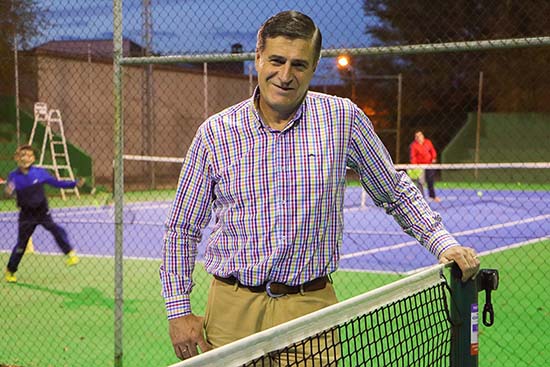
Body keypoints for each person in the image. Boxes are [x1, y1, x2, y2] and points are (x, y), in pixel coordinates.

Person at [160, 10, 479, 363]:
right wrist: (178, 310)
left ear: (314, 68)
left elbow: (395, 191)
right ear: (258, 59)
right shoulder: (215, 133)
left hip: (310, 309)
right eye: (276, 61)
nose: (285, 75)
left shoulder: (343, 119)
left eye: (299, 64)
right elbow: (181, 229)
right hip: (231, 310)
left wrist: (442, 243)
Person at [4, 144, 85, 283]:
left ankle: (70, 253)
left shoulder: (40, 173)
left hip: (42, 211)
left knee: (56, 230)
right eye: (23, 155)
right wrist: (8, 191)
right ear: (17, 158)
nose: (26, 158)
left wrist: (74, 184)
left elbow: (57, 183)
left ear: (34, 158)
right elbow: (7, 192)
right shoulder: (13, 176)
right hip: (26, 215)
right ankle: (10, 271)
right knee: (21, 245)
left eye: (29, 155)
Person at [410, 130, 441, 202]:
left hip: (429, 165)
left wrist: (433, 158)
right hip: (419, 166)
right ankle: (421, 198)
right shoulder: (413, 145)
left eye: (420, 135)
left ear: (423, 136)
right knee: (420, 182)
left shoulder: (428, 142)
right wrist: (415, 166)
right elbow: (413, 156)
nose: (418, 137)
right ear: (415, 138)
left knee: (430, 180)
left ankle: (432, 196)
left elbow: (432, 151)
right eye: (417, 136)